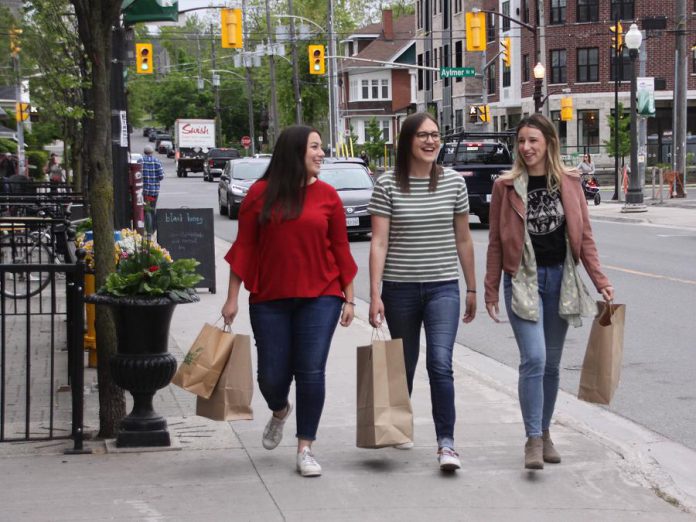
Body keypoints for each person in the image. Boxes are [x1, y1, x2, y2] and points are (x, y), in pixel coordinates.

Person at [221, 125, 357, 478]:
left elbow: (341, 248)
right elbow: (245, 247)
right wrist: (232, 298)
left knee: (310, 370)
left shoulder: (328, 196)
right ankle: (280, 410)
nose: (321, 153)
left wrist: (351, 298)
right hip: (269, 298)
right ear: (295, 151)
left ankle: (305, 447)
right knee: (271, 376)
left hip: (322, 296)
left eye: (321, 147)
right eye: (315, 146)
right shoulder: (260, 194)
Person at [484, 114, 614, 470]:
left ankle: (544, 432)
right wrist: (490, 289)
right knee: (535, 359)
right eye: (521, 141)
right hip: (521, 281)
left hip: (561, 281)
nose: (526, 147)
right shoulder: (505, 186)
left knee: (552, 365)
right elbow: (495, 241)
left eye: (533, 141)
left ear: (548, 144)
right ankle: (532, 439)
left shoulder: (570, 182)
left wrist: (600, 280)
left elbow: (585, 237)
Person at [368, 112, 477, 472]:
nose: (431, 141)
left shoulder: (453, 184)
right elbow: (379, 242)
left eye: (435, 135)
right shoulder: (387, 184)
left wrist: (472, 286)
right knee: (403, 365)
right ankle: (398, 424)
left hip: (443, 287)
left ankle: (447, 444)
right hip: (399, 288)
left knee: (440, 363)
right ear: (408, 141)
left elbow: (464, 239)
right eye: (422, 136)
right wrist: (374, 293)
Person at [139, 145, 164, 235]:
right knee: (153, 209)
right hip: (154, 191)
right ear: (152, 152)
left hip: (145, 191)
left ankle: (149, 230)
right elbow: (161, 176)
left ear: (144, 152)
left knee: (147, 210)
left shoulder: (140, 161)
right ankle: (153, 229)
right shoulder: (157, 161)